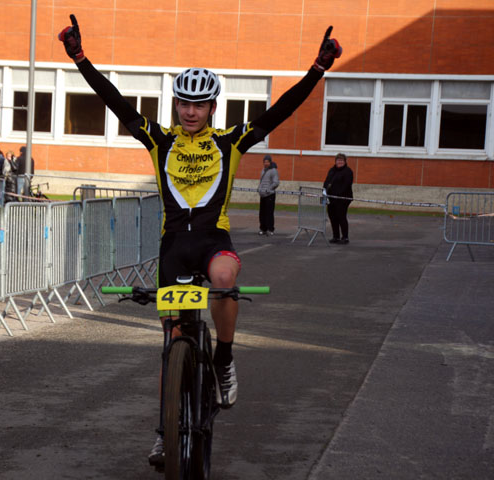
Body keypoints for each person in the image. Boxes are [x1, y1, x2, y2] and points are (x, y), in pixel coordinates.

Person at [58, 14, 341, 466]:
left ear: (213, 107)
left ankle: (224, 359)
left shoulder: (231, 141)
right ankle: (164, 429)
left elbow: (281, 109)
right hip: (173, 245)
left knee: (226, 275)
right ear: (175, 105)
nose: (191, 111)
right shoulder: (159, 140)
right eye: (184, 104)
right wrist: (79, 59)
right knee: (171, 340)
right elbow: (113, 101)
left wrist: (317, 69)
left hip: (213, 239)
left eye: (200, 104)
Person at [323, 153, 354, 244]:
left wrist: (337, 194)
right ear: (335, 161)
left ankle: (345, 237)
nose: (339, 162)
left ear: (345, 162)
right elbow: (326, 181)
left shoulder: (348, 172)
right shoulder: (332, 170)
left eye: (341, 160)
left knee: (341, 217)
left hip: (343, 198)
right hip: (331, 198)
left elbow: (346, 185)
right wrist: (325, 190)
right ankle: (336, 236)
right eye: (338, 160)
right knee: (332, 217)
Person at [257, 154, 279, 236]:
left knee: (269, 213)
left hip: (269, 195)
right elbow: (262, 182)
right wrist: (259, 188)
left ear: (270, 162)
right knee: (262, 213)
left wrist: (268, 189)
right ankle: (263, 229)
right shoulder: (263, 170)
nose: (266, 163)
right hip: (262, 195)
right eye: (264, 162)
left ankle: (270, 229)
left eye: (267, 162)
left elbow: (276, 182)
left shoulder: (273, 171)